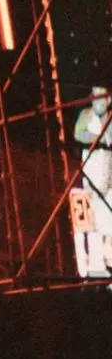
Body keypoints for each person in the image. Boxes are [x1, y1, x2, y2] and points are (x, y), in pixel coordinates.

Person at [73, 86, 112, 278]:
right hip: (92, 170)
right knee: (95, 217)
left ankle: (108, 259)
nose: (100, 102)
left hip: (109, 170)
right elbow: (78, 134)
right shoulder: (86, 115)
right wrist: (97, 139)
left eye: (103, 98)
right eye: (96, 98)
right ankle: (95, 265)